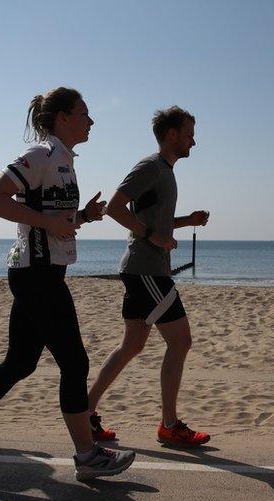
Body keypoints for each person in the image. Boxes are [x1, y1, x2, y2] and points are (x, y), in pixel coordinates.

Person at [0, 88, 135, 482]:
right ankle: (87, 457)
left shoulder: (64, 161)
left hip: (40, 273)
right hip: (35, 275)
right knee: (74, 362)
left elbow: (53, 219)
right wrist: (50, 223)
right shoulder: (41, 155)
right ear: (61, 118)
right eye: (84, 113)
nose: (91, 121)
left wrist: (83, 217)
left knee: (20, 362)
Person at [84, 106, 211, 447]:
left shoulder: (166, 171)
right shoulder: (151, 167)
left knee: (132, 345)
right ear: (172, 135)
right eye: (189, 134)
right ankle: (169, 425)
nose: (193, 142)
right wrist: (153, 237)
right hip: (147, 269)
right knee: (180, 341)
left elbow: (153, 221)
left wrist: (187, 221)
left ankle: (85, 413)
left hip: (142, 269)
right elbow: (114, 207)